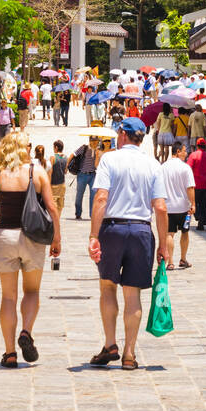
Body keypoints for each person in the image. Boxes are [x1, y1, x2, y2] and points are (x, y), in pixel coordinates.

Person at [0, 131, 60, 367]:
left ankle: (9, 353)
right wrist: (57, 238)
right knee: (32, 292)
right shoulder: (37, 172)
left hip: (5, 236)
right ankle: (26, 332)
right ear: (24, 148)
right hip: (32, 238)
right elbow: (52, 207)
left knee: (8, 297)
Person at [87, 118, 168, 370]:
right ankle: (130, 354)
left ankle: (110, 343)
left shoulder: (110, 160)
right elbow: (161, 207)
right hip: (142, 230)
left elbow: (101, 198)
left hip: (113, 228)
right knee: (133, 295)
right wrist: (163, 245)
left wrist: (93, 235)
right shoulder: (153, 164)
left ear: (122, 134)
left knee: (107, 287)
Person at [161, 144, 195, 270]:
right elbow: (190, 187)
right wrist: (193, 204)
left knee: (169, 234)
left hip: (168, 207)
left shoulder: (163, 167)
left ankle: (170, 262)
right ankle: (183, 258)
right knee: (185, 233)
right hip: (183, 207)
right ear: (178, 151)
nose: (186, 154)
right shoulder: (185, 168)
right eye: (185, 151)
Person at [187, 138, 206, 230]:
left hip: (195, 185)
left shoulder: (193, 155)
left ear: (197, 145)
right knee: (204, 205)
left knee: (194, 202)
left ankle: (198, 216)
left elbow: (188, 168)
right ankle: (201, 221)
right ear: (205, 146)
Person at [74, 137, 99, 219]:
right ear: (90, 141)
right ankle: (78, 213)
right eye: (93, 141)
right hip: (82, 174)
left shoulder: (98, 150)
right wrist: (67, 165)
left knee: (93, 195)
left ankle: (92, 215)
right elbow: (73, 154)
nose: (95, 143)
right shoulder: (84, 148)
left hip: (92, 175)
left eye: (96, 141)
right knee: (79, 195)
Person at [48, 141, 67, 220]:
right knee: (60, 204)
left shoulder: (53, 157)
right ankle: (57, 220)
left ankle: (54, 221)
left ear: (56, 147)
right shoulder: (66, 157)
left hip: (54, 185)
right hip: (62, 184)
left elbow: (50, 171)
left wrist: (47, 184)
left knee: (53, 204)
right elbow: (65, 171)